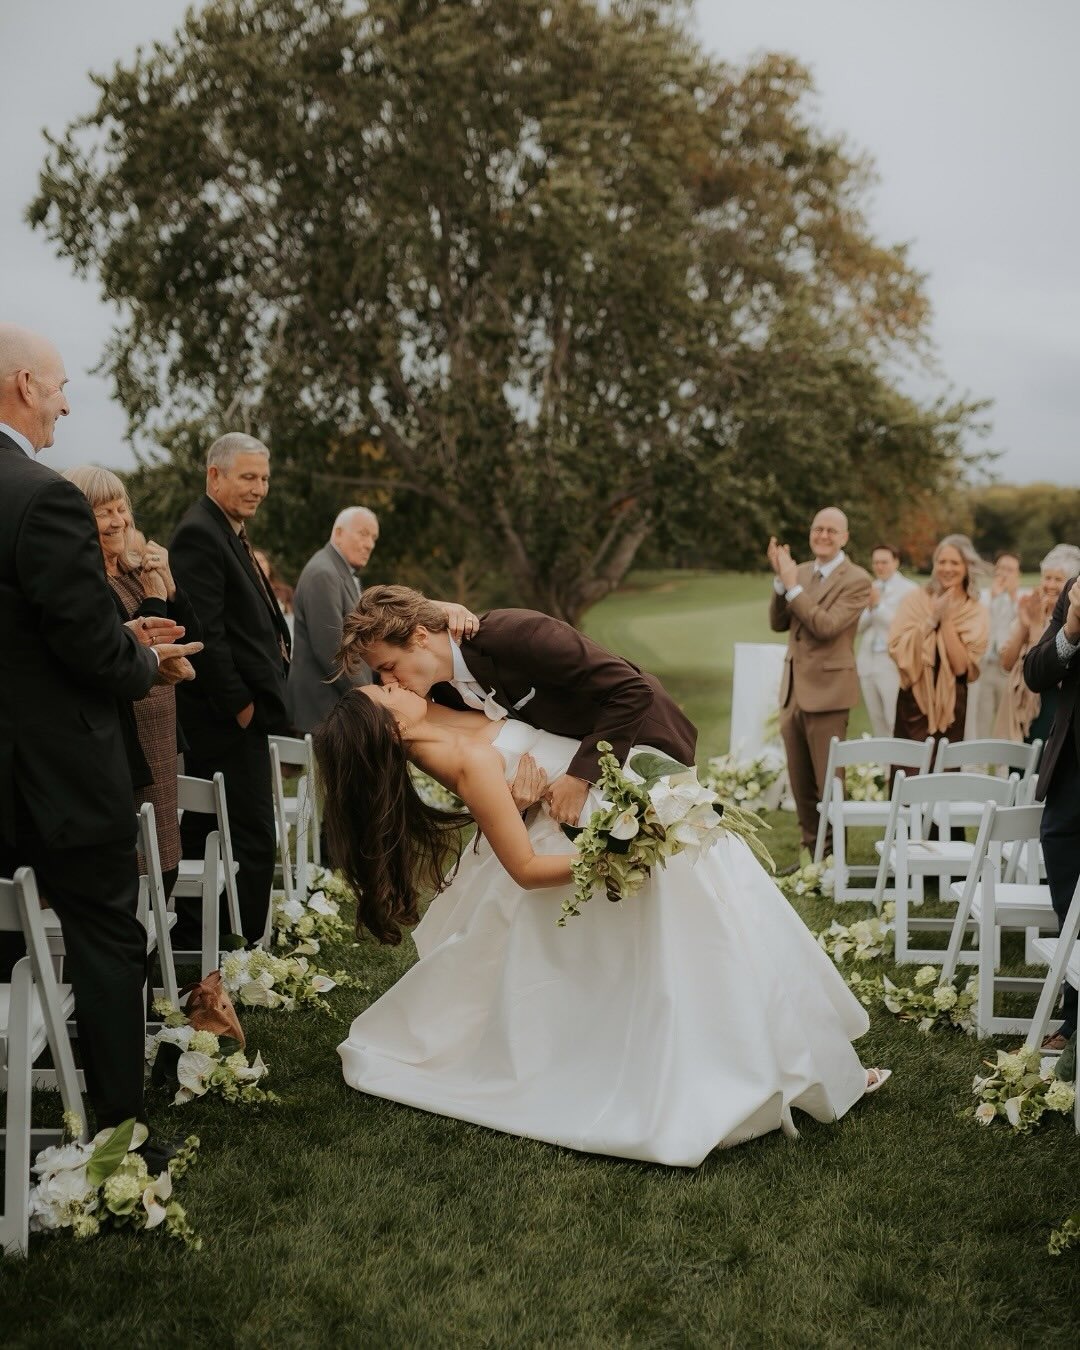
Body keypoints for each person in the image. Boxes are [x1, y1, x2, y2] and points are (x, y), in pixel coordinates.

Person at [315, 679, 889, 1167]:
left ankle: (789, 1062)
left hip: (600, 808)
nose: (396, 683)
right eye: (387, 690)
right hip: (593, 845)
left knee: (713, 942)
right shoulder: (457, 757)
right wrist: (625, 850)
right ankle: (722, 1078)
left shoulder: (441, 717)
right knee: (689, 959)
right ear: (389, 728)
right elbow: (526, 867)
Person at [0, 324, 200, 1146]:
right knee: (108, 938)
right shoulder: (40, 496)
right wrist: (137, 658)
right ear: (21, 385)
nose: (65, 402)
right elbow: (85, 642)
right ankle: (118, 1139)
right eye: (57, 387)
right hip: (55, 777)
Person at [337, 585, 698, 825]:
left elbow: (631, 691)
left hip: (642, 741)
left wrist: (580, 776)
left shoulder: (520, 635)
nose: (386, 682)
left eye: (387, 668)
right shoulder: (436, 692)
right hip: (565, 773)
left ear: (419, 637)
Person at [169, 433, 292, 944]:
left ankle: (202, 942)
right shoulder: (200, 533)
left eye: (263, 477)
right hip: (224, 721)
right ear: (214, 475)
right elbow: (207, 633)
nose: (259, 488)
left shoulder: (227, 529)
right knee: (252, 838)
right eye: (248, 477)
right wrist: (240, 706)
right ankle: (245, 951)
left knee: (209, 833)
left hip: (240, 717)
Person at [63, 466, 202, 899]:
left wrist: (171, 587)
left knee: (167, 855)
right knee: (143, 866)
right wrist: (155, 593)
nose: (118, 520)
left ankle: (150, 956)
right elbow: (140, 646)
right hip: (129, 740)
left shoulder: (129, 570)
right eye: (104, 511)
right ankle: (138, 958)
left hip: (162, 734)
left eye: (121, 508)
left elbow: (189, 635)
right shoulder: (87, 581)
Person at [767, 508, 872, 856]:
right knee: (800, 781)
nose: (823, 535)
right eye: (817, 529)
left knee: (828, 781)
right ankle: (810, 852)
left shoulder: (857, 579)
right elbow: (778, 623)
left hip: (829, 692)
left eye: (831, 530)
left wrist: (792, 585)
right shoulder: (799, 572)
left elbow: (826, 627)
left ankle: (832, 858)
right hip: (793, 688)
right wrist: (782, 582)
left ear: (844, 537)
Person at [1023, 558, 1080, 1053]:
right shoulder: (1074, 593)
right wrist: (1072, 626)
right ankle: (1074, 1017)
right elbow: (1035, 672)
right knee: (1068, 899)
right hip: (1071, 779)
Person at [888, 535, 989, 754]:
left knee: (944, 773)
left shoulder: (974, 610)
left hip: (952, 704)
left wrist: (946, 620)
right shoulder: (915, 599)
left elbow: (962, 667)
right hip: (913, 700)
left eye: (954, 562)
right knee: (908, 771)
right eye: (942, 562)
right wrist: (932, 618)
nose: (947, 568)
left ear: (966, 567)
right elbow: (896, 646)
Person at [287, 507, 380, 733]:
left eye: (374, 538)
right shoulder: (324, 573)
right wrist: (369, 700)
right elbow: (332, 650)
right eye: (363, 533)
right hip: (324, 714)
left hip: (335, 710)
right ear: (338, 533)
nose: (369, 544)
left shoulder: (337, 570)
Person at [997, 545, 1080, 745]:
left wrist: (1035, 628)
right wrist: (1024, 625)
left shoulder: (1068, 620)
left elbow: (1045, 668)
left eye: (1058, 579)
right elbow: (1007, 664)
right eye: (1047, 577)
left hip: (1051, 707)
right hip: (1020, 708)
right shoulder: (1030, 608)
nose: (1050, 585)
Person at [856, 543, 918, 737]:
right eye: (876, 563)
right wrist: (870, 607)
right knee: (877, 721)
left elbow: (905, 627)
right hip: (867, 662)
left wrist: (878, 606)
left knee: (894, 719)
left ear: (896, 562)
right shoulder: (870, 588)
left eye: (884, 562)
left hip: (891, 663)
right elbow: (858, 627)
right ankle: (883, 767)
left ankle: (900, 766)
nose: (879, 567)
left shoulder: (910, 590)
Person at [966, 550, 1022, 741]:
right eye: (1001, 569)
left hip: (1009, 669)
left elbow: (1022, 625)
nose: (1004, 574)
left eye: (1010, 570)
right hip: (984, 666)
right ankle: (977, 766)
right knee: (980, 720)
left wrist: (1012, 597)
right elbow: (979, 624)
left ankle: (1003, 769)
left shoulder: (1022, 599)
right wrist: (995, 597)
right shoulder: (983, 598)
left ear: (1018, 574)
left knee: (1006, 723)